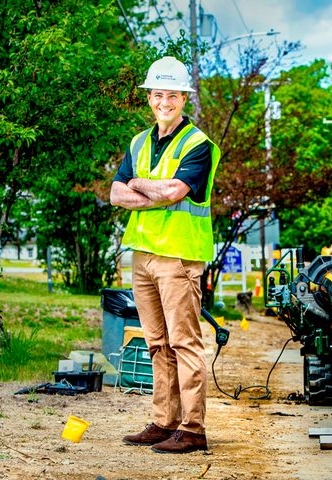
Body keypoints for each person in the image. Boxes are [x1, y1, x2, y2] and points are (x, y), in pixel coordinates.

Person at [110, 56, 221, 454]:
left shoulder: (198, 145)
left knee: (183, 343)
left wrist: (138, 184)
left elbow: (176, 192)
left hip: (179, 256)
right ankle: (164, 421)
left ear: (183, 98)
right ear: (150, 97)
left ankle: (193, 428)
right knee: (156, 342)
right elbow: (114, 193)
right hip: (143, 255)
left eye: (172, 95)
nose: (164, 101)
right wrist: (150, 189)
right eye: (158, 94)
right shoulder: (139, 142)